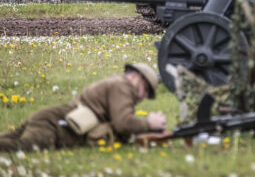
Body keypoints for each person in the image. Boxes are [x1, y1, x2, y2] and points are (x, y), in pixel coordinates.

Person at [0, 63, 167, 152]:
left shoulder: (118, 85)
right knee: (24, 147)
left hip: (50, 119)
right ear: (134, 77)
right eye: (146, 89)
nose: (144, 96)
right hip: (52, 124)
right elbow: (122, 123)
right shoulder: (122, 86)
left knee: (11, 140)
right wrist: (149, 123)